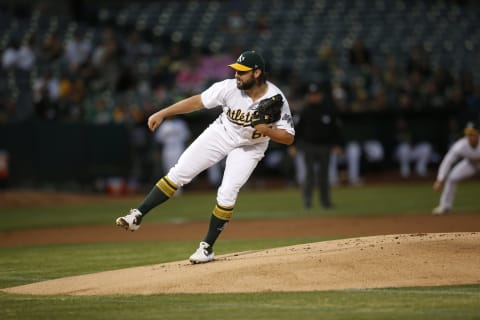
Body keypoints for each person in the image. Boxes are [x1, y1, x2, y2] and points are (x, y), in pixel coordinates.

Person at [115, 50, 295, 263]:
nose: (237, 75)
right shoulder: (228, 87)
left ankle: (207, 248)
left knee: (227, 192)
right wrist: (163, 112)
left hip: (251, 147)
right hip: (221, 133)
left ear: (256, 73)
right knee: (179, 172)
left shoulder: (276, 98)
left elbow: (288, 137)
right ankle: (137, 215)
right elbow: (196, 102)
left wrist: (267, 131)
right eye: (236, 71)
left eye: (242, 72)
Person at [291, 82, 344, 209]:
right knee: (309, 175)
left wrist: (337, 144)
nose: (313, 97)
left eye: (315, 94)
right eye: (311, 95)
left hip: (325, 146)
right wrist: (293, 145)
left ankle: (325, 202)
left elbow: (336, 129)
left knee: (324, 176)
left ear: (321, 95)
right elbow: (297, 130)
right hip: (309, 146)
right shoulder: (304, 111)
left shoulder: (329, 110)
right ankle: (307, 201)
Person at [432, 120, 480, 215]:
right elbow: (447, 161)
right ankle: (445, 206)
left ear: (478, 133)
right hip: (470, 164)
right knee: (451, 178)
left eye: (472, 134)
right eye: (467, 134)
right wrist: (440, 179)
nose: (469, 137)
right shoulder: (461, 145)